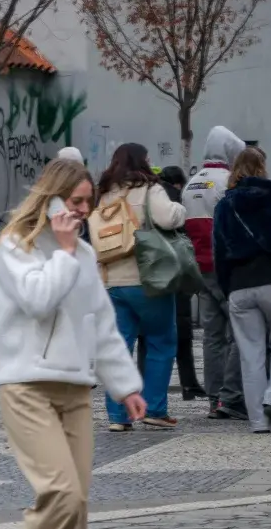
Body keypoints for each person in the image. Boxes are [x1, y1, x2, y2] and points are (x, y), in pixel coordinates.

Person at [0, 157, 145, 529]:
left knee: (76, 513)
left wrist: (125, 386)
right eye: (74, 202)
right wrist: (65, 251)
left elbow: (100, 324)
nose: (82, 210)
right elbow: (36, 301)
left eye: (87, 202)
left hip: (75, 391)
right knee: (61, 493)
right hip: (26, 385)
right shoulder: (16, 245)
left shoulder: (82, 252)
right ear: (51, 201)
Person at [87, 143, 186, 433]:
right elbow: (169, 217)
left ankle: (118, 416)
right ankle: (155, 409)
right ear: (142, 161)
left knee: (119, 347)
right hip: (146, 278)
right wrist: (180, 207)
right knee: (161, 341)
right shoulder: (148, 188)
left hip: (111, 281)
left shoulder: (104, 192)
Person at [213, 147, 271, 434]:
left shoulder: (224, 205)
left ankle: (258, 422)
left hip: (240, 286)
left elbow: (219, 252)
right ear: (262, 167)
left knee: (250, 355)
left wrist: (227, 287)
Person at [182, 126, 244, 421]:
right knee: (237, 334)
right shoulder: (228, 183)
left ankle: (214, 397)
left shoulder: (192, 183)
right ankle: (231, 396)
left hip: (200, 268)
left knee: (211, 336)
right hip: (226, 268)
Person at [156, 164, 205, 402]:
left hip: (157, 271)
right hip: (177, 269)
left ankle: (155, 386)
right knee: (181, 329)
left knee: (156, 334)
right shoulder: (177, 198)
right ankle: (189, 384)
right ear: (178, 183)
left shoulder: (151, 194)